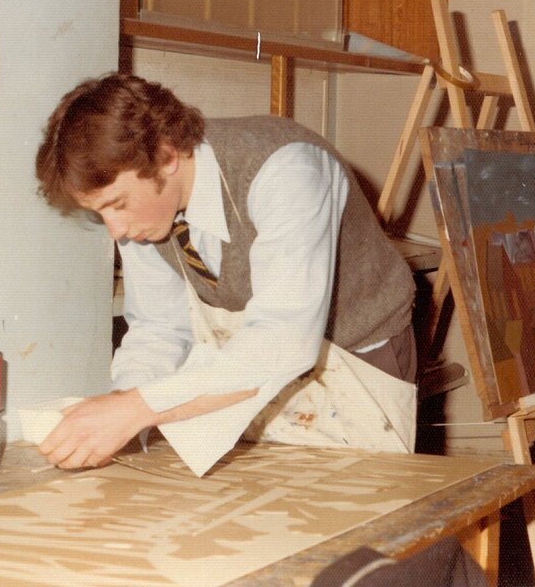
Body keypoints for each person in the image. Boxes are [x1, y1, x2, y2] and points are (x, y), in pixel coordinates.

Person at [34, 72, 417, 473]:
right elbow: (159, 327)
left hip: (358, 359)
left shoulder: (285, 171)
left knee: (367, 510)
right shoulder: (145, 217)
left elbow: (283, 340)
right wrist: (119, 409)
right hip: (245, 368)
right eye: (100, 214)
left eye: (118, 204)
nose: (116, 230)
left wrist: (134, 410)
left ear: (166, 157)